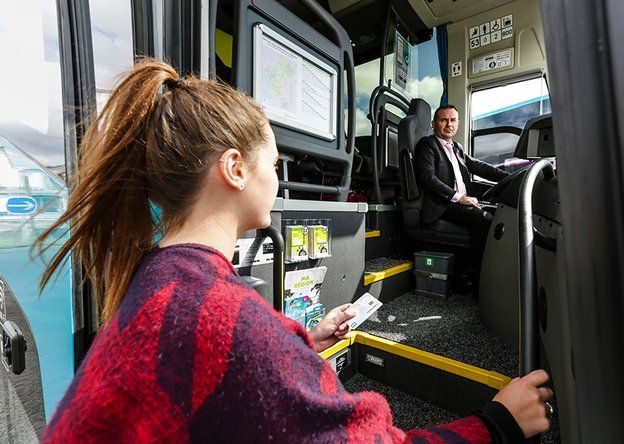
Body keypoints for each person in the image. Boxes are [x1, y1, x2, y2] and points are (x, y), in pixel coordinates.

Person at [36, 60, 552, 443]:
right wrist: (498, 423)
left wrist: (305, 338)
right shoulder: (228, 323)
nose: (280, 179)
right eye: (276, 163)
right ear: (235, 169)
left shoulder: (155, 282)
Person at [414, 105, 510, 286]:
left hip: (461, 201)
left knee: (500, 212)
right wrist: (459, 197)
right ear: (434, 124)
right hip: (442, 203)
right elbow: (428, 177)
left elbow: (479, 166)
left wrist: (511, 177)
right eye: (443, 120)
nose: (448, 124)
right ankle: (479, 278)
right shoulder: (427, 145)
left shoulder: (456, 148)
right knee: (483, 218)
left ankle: (497, 268)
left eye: (452, 120)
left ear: (457, 124)